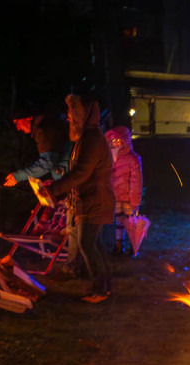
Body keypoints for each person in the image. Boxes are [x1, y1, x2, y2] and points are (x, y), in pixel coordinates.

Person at [44, 94, 115, 303]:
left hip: (96, 201)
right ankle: (104, 287)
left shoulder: (91, 139)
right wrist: (57, 188)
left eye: (72, 113)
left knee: (87, 244)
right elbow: (79, 172)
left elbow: (81, 173)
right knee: (94, 244)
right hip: (93, 200)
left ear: (81, 114)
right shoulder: (87, 137)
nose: (68, 118)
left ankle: (99, 290)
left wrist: (56, 188)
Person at [3, 111, 71, 187]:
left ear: (27, 118)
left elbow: (47, 164)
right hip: (70, 172)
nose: (18, 128)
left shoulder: (42, 129)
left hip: (73, 172)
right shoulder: (45, 123)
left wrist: (18, 176)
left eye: (17, 123)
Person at [105, 126, 143, 257]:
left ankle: (134, 246)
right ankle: (118, 245)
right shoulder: (108, 158)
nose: (115, 142)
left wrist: (135, 200)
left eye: (118, 139)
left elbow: (136, 181)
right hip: (115, 196)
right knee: (118, 222)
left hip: (127, 197)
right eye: (112, 140)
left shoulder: (132, 158)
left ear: (124, 140)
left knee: (131, 222)